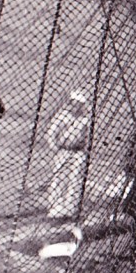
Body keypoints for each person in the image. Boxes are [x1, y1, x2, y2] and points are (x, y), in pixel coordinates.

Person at [45, 89, 93, 220]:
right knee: (59, 179)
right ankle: (55, 208)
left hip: (79, 152)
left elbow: (88, 137)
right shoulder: (63, 116)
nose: (76, 106)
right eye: (75, 103)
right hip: (64, 151)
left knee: (75, 180)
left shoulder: (85, 119)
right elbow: (51, 133)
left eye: (80, 104)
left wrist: (85, 151)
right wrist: (55, 148)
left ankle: (71, 209)